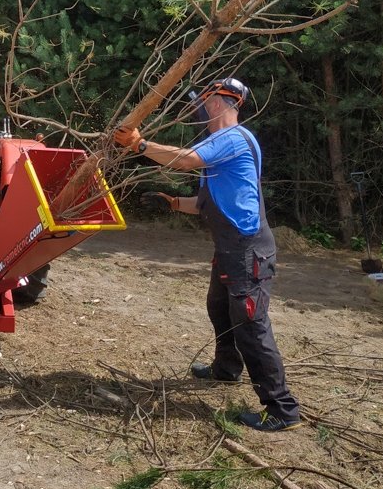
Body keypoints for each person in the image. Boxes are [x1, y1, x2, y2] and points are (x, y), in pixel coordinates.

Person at [114, 77, 301, 432]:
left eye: (201, 101)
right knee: (219, 306)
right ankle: (226, 369)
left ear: (217, 102)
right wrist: (173, 203)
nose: (196, 109)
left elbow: (186, 161)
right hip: (230, 249)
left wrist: (140, 145)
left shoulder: (231, 138)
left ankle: (282, 409)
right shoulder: (220, 147)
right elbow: (204, 203)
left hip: (247, 251)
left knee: (251, 325)